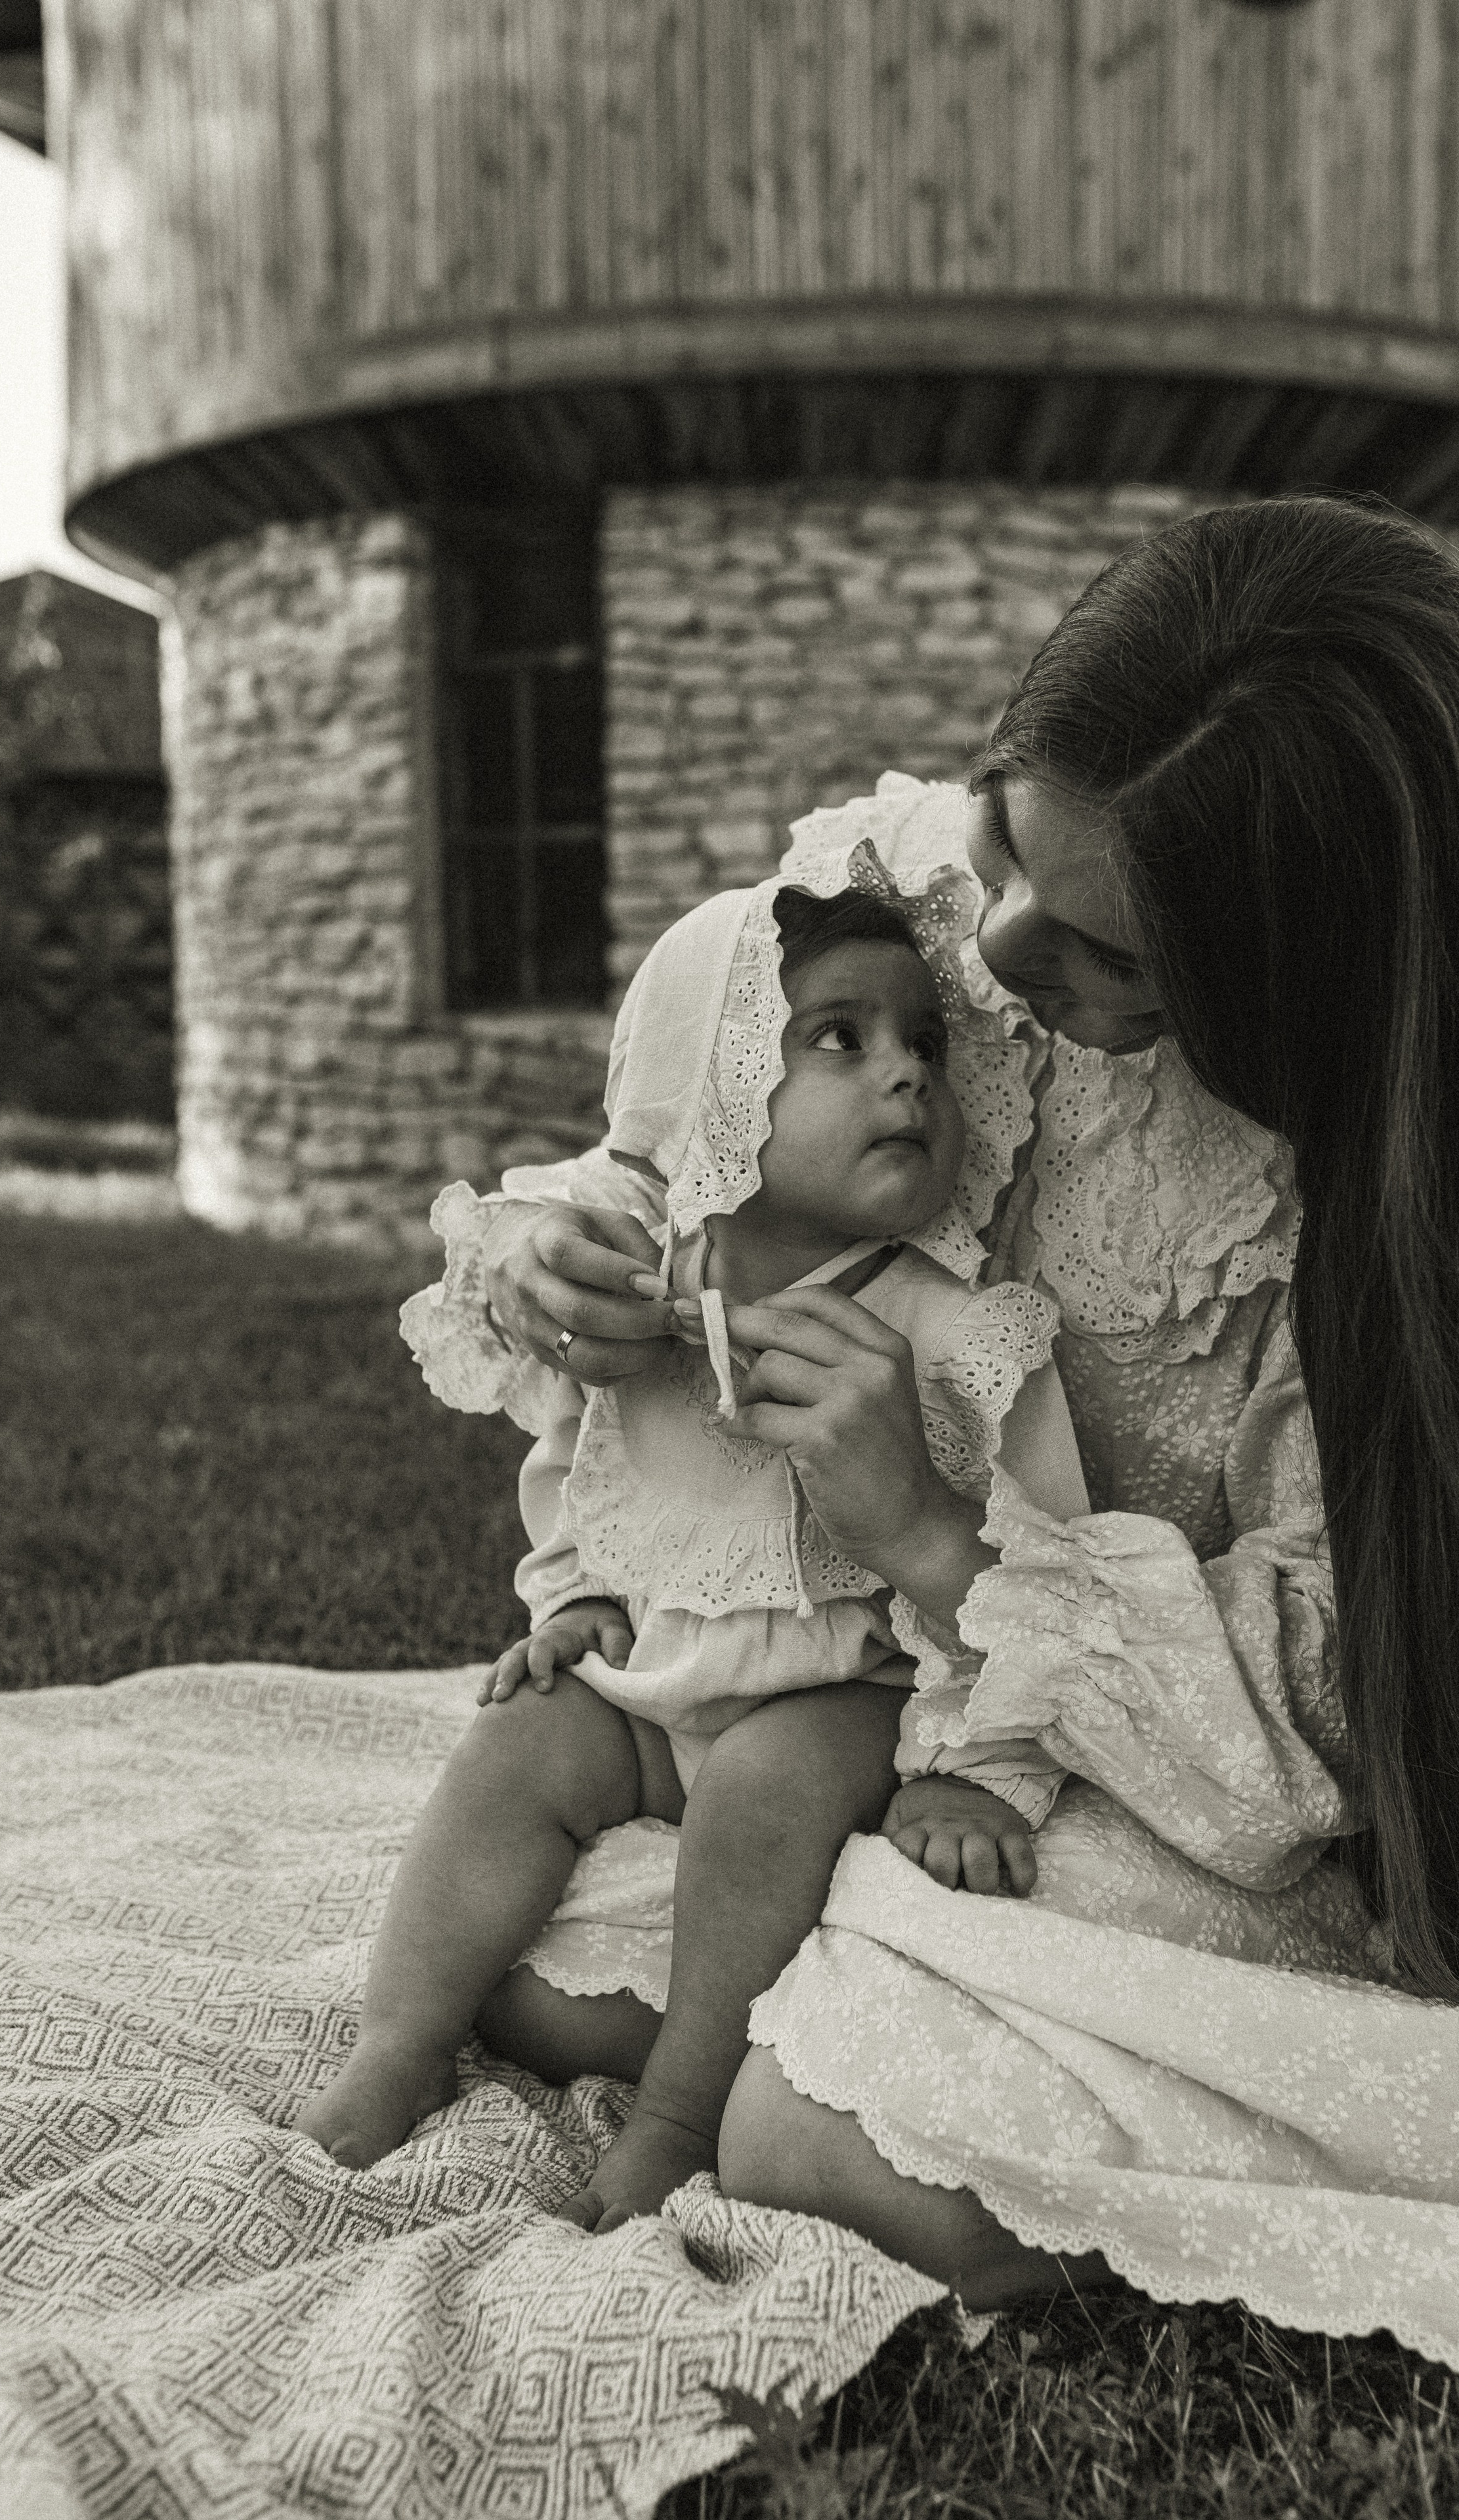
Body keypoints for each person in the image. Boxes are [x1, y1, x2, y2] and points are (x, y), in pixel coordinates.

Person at [469, 496, 1459, 2364]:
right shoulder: (922, 900)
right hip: (858, 1685)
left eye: (1118, 959)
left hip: (1179, 1774)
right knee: (514, 1937)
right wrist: (562, 1246)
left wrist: (943, 1542)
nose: (999, 943)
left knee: (812, 2137)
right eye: (1004, 842)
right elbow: (681, 1118)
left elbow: (1319, 1718)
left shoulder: (1403, 1198)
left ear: (1293, 990)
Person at [295, 877, 1074, 2219]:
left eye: (922, 1045)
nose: (904, 1074)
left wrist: (971, 1770)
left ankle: (677, 2112)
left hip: (849, 1695)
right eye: (838, 1037)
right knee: (519, 1741)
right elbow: (579, 1454)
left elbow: (1037, 1564)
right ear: (703, 1085)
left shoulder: (953, 1332)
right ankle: (398, 2042)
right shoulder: (636, 1288)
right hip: (657, 1685)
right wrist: (581, 1596)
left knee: (764, 1784)